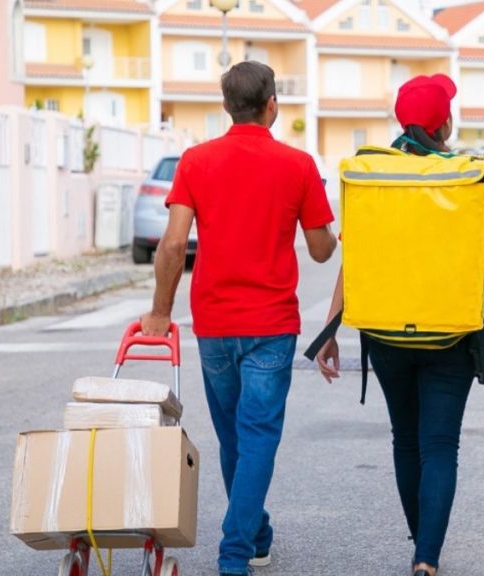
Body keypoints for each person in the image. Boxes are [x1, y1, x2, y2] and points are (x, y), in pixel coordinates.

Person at [314, 74, 484, 576]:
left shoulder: (374, 174)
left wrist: (330, 329)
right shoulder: (467, 175)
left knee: (406, 440)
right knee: (439, 445)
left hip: (385, 332)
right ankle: (426, 556)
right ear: (445, 123)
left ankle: (422, 542)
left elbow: (355, 258)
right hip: (451, 333)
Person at [141, 61, 337, 576]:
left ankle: (258, 535)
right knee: (256, 438)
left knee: (236, 437)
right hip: (271, 325)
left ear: (227, 107)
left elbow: (173, 243)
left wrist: (161, 312)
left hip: (215, 323)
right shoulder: (297, 164)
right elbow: (320, 251)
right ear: (272, 105)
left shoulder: (196, 160)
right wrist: (327, 230)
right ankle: (235, 555)